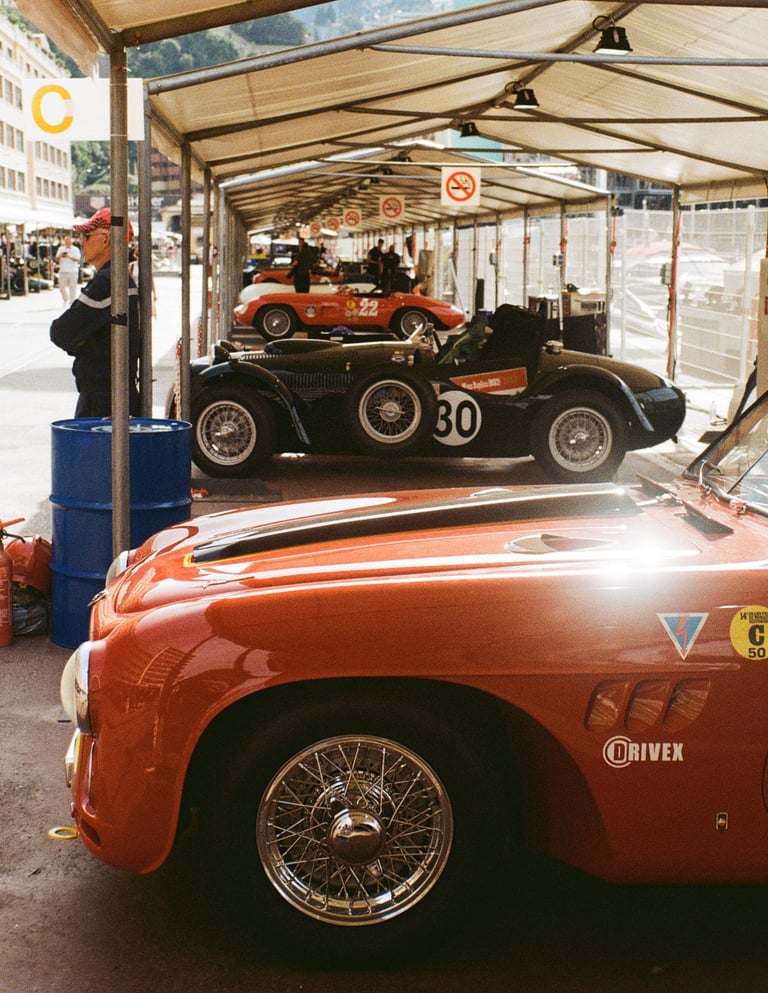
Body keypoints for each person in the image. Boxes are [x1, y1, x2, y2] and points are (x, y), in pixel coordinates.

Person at [50, 207, 140, 418]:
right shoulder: (118, 277)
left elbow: (60, 331)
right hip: (112, 391)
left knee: (95, 450)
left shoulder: (107, 281)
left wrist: (82, 343)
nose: (82, 242)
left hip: (101, 397)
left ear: (106, 238)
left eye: (86, 235)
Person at [54, 234, 81, 304]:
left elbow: (78, 259)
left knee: (73, 288)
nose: (67, 242)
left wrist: (69, 256)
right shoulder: (61, 249)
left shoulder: (75, 249)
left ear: (71, 241)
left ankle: (72, 302)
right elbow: (56, 259)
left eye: (69, 241)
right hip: (63, 271)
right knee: (61, 287)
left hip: (73, 271)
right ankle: (65, 299)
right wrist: (60, 255)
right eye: (66, 241)